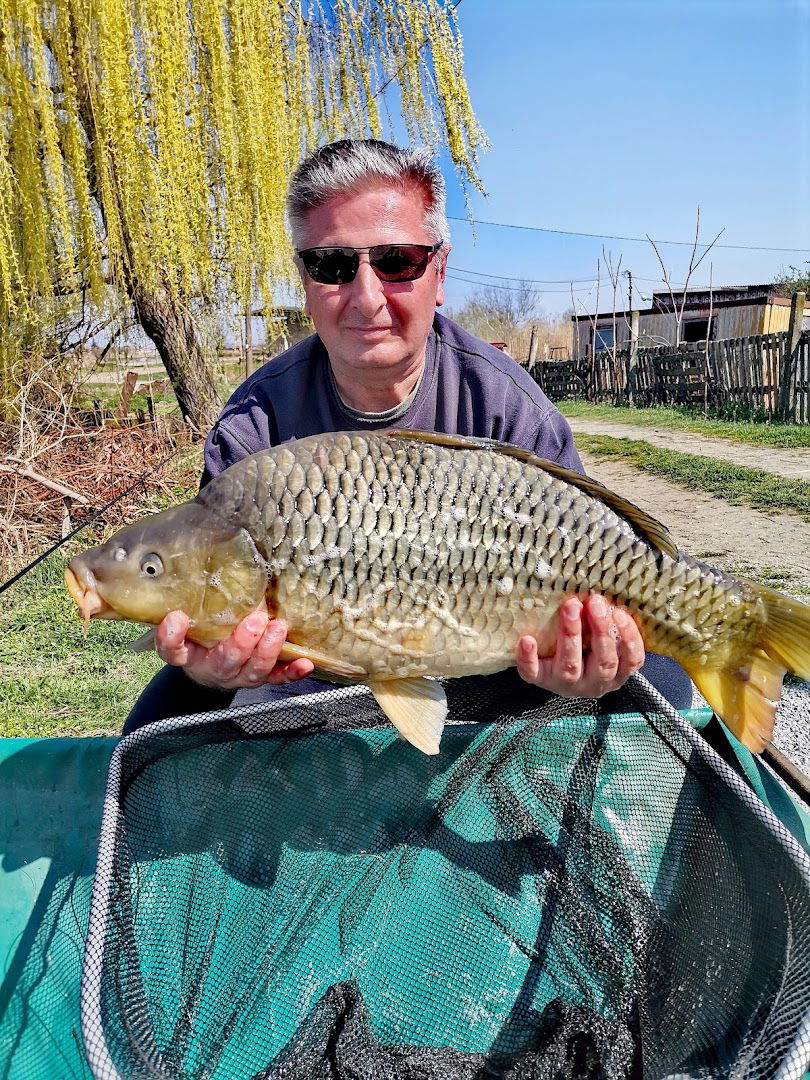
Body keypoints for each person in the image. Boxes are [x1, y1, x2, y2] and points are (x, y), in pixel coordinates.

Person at [124, 139, 691, 733]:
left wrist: (587, 661)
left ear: (438, 272)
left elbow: (603, 557)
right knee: (171, 707)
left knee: (659, 679)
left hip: (500, 665)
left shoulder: (508, 407)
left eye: (396, 262)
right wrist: (214, 668)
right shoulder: (253, 427)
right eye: (333, 265)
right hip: (314, 675)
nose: (367, 297)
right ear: (306, 280)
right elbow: (213, 606)